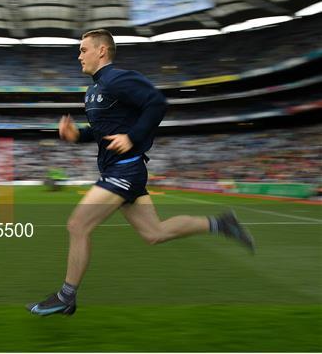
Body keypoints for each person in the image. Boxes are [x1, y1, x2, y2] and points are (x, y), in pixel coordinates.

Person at [26, 29, 254, 316]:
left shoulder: (118, 78)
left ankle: (66, 297)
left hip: (126, 169)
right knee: (154, 233)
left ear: (102, 51)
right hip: (119, 170)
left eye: (84, 49)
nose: (79, 55)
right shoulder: (93, 90)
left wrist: (132, 138)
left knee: (78, 225)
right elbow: (102, 133)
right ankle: (221, 224)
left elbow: (157, 103)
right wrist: (77, 136)